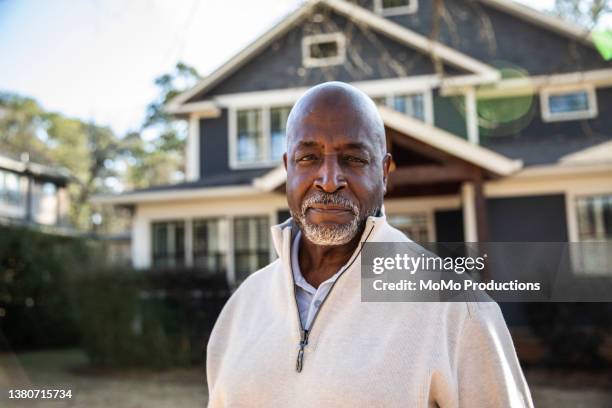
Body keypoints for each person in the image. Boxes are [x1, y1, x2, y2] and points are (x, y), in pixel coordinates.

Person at [206, 82, 533, 407]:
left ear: (384, 171)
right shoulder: (241, 309)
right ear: (288, 167)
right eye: (308, 157)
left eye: (353, 159)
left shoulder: (459, 309)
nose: (330, 180)